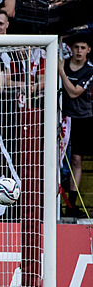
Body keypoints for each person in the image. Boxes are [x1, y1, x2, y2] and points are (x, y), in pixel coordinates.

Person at [59, 35, 93, 217]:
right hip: (61, 117)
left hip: (81, 119)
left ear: (88, 50)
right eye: (76, 47)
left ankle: (71, 204)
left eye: (83, 47)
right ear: (70, 48)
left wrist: (61, 73)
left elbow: (74, 93)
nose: (79, 51)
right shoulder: (62, 62)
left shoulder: (89, 70)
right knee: (58, 158)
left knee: (77, 160)